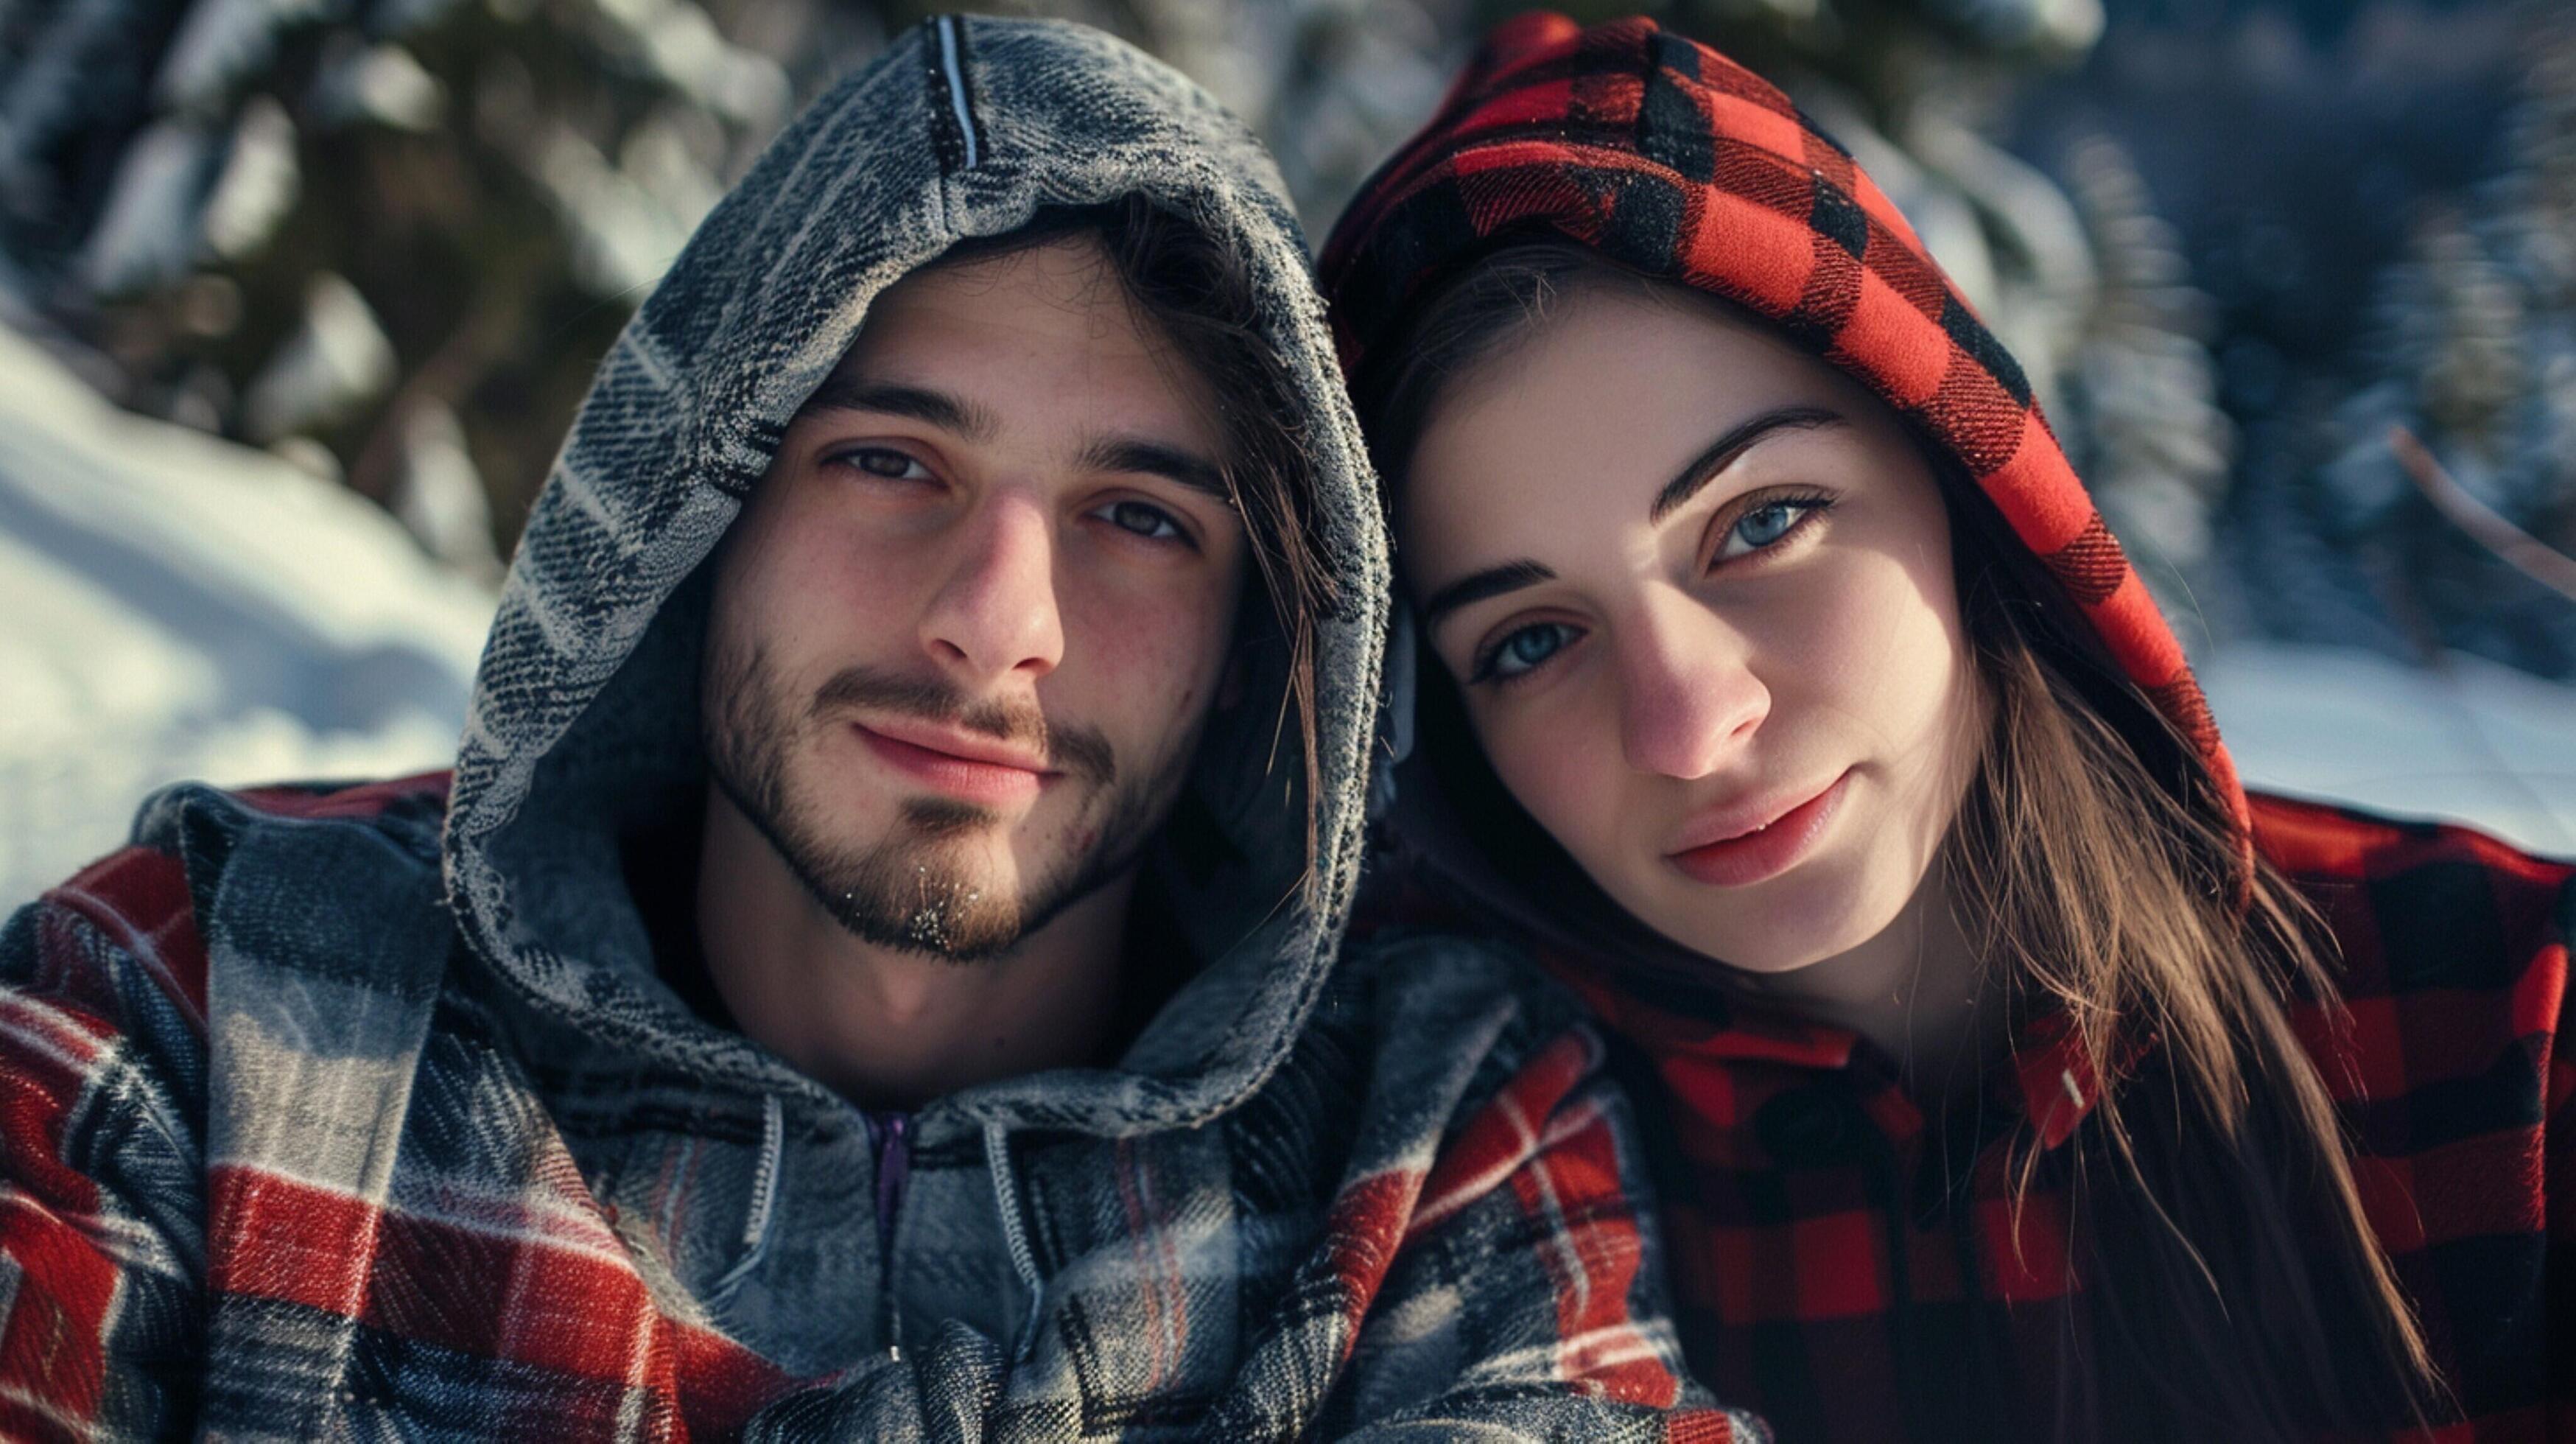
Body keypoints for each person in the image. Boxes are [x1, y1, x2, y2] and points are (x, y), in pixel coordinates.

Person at [0, 17, 1766, 1438]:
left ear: (1255, 645)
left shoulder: (1431, 1132)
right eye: (890, 460)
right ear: (701, 522)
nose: (997, 620)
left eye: (1142, 515)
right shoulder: (210, 998)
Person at [1320, 14, 2572, 1443]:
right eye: (1529, 639)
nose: (1686, 723)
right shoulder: (1473, 1177)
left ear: (1974, 494)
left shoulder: (2515, 1028)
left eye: (1764, 520)